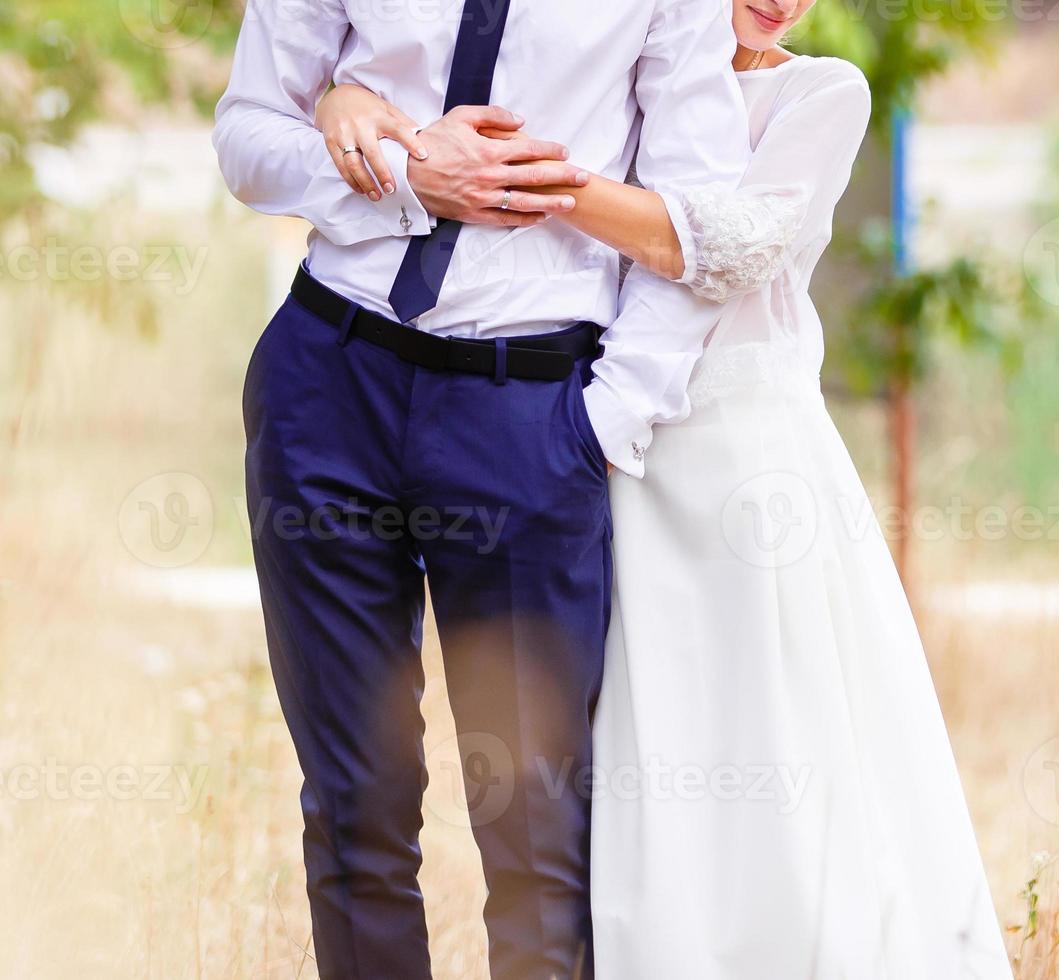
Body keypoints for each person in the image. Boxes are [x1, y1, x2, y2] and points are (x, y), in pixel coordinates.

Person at [309, 0, 1016, 975]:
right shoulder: (607, 56)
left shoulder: (821, 92)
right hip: (606, 447)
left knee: (770, 744)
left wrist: (542, 179)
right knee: (614, 765)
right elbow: (430, 90)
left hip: (742, 463)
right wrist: (340, 94)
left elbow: (726, 247)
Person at [210, 0, 749, 975]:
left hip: (527, 418)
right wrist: (407, 175)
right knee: (353, 798)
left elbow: (695, 222)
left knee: (536, 826)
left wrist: (600, 421)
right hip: (330, 383)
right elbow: (249, 137)